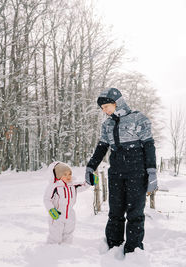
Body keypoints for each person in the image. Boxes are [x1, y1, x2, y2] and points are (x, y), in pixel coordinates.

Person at [84, 88, 158, 254]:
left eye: (106, 106)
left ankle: (133, 251)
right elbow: (102, 147)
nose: (104, 111)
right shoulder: (107, 125)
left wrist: (151, 171)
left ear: (117, 102)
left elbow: (148, 145)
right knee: (115, 212)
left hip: (136, 173)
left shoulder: (138, 119)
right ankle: (113, 247)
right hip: (116, 173)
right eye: (102, 109)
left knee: (135, 213)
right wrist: (91, 166)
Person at [43, 161, 95, 244]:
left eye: (70, 174)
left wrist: (90, 181)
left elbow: (84, 186)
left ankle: (66, 250)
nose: (68, 176)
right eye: (65, 174)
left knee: (68, 234)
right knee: (55, 235)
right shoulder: (54, 186)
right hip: (57, 215)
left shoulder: (73, 185)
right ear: (59, 175)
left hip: (70, 214)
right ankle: (51, 250)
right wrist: (51, 210)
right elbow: (47, 199)